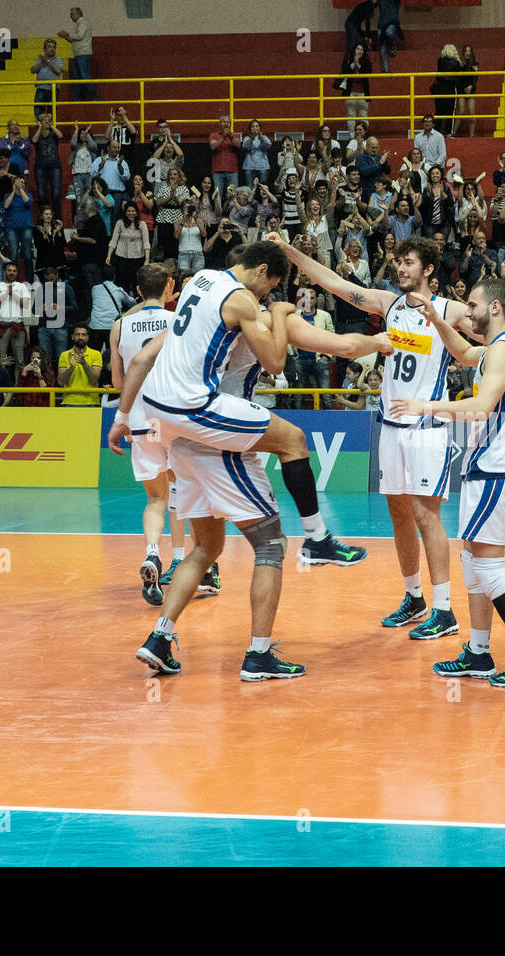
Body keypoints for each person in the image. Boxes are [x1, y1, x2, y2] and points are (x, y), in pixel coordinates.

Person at [274, 232, 505, 638]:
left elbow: (501, 339)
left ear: (428, 269)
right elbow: (334, 283)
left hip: (427, 427)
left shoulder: (449, 310)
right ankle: (414, 596)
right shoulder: (388, 304)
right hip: (391, 424)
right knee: (399, 516)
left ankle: (444, 609)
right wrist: (289, 252)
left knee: (425, 515)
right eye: (398, 261)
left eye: (408, 262)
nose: (401, 268)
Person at [107, 244, 375, 678]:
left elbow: (140, 357)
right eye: (272, 286)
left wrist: (121, 417)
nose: (271, 295)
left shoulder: (200, 283)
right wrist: (285, 315)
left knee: (206, 548)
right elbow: (277, 361)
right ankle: (264, 642)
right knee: (282, 490)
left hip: (167, 427)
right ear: (263, 272)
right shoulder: (249, 306)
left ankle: (160, 636)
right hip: (203, 422)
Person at [392, 279, 505, 688]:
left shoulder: (504, 349)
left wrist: (426, 406)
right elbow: (463, 353)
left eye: (472, 304)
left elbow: (481, 407)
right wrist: (436, 320)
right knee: (472, 561)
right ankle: (479, 653)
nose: (467, 310)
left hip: (497, 469)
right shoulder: (494, 349)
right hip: (486, 469)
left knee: (487, 566)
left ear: (495, 307)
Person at [109, 265, 176, 604]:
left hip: (138, 419)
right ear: (170, 286)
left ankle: (152, 552)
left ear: (136, 290)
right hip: (176, 418)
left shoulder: (119, 326)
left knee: (156, 500)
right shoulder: (178, 321)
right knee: (182, 491)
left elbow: (120, 384)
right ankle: (181, 560)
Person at [58, 7, 96, 101]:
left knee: (84, 75)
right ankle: (75, 97)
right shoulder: (81, 24)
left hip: (82, 54)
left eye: (72, 14)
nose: (70, 17)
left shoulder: (82, 23)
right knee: (77, 76)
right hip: (79, 54)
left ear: (77, 14)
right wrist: (65, 37)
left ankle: (95, 95)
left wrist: (67, 35)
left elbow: (79, 36)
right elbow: (75, 40)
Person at [432, 45, 463, 137]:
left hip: (439, 88)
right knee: (450, 111)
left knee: (438, 111)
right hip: (450, 88)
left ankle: (436, 131)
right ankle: (448, 132)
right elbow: (457, 78)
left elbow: (439, 74)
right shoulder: (457, 63)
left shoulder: (440, 61)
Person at [339, 43, 373, 125]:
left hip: (363, 92)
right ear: (354, 50)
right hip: (350, 92)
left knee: (363, 115)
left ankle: (364, 136)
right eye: (358, 49)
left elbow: (368, 72)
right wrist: (353, 64)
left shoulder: (367, 62)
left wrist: (358, 64)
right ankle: (352, 136)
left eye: (362, 49)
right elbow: (344, 71)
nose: (360, 51)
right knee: (351, 115)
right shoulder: (347, 59)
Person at [30, 38, 64, 119]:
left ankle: (51, 130)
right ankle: (40, 128)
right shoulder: (39, 59)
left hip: (53, 89)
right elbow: (32, 70)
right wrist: (42, 62)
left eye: (54, 47)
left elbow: (58, 70)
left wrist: (48, 61)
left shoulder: (58, 59)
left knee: (51, 113)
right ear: (44, 49)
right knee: (38, 111)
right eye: (49, 47)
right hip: (41, 88)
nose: (52, 49)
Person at [452, 45, 480, 137]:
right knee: (461, 111)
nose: (468, 53)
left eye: (469, 51)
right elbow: (458, 76)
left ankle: (471, 135)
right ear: (463, 52)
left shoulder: (475, 62)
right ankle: (454, 133)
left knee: (472, 112)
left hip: (471, 88)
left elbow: (476, 77)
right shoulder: (459, 62)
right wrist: (464, 87)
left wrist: (471, 86)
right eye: (466, 51)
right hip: (461, 88)